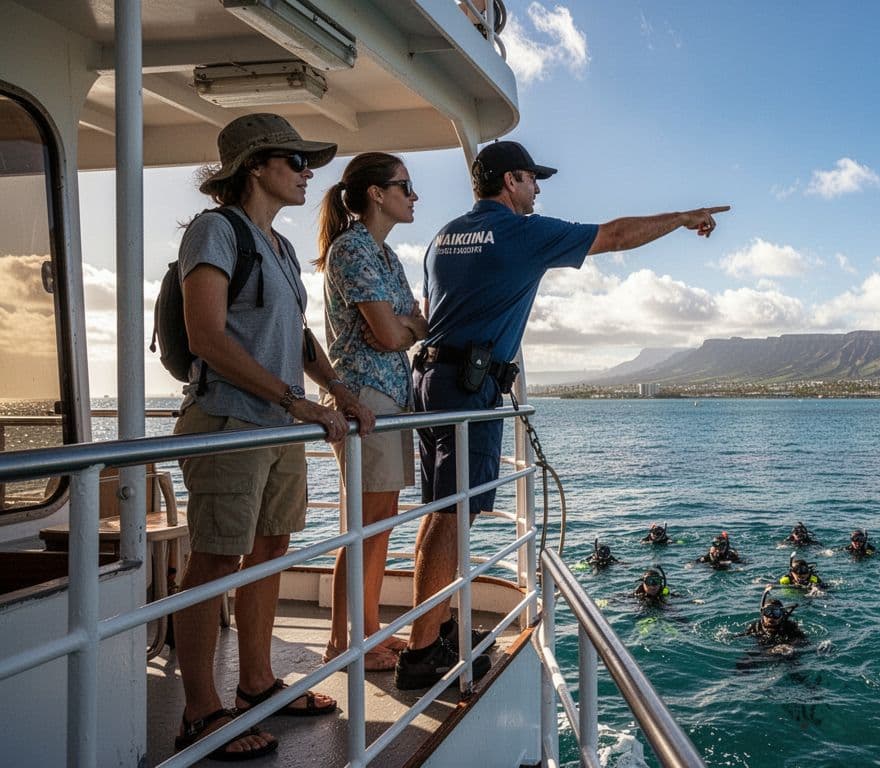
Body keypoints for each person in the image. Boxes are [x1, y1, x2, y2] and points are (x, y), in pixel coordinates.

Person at [402, 139, 727, 690]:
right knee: (457, 514)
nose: (538, 188)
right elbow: (615, 235)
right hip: (468, 387)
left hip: (431, 382)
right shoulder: (520, 232)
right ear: (510, 182)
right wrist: (683, 217)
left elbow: (434, 312)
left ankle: (432, 629)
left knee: (440, 510)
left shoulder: (443, 237)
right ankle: (423, 652)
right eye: (532, 178)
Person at [170, 113, 376, 761]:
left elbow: (301, 335)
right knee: (213, 562)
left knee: (271, 550)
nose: (307, 172)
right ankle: (201, 710)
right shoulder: (216, 231)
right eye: (295, 160)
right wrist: (295, 400)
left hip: (279, 425)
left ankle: (256, 684)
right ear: (256, 166)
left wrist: (333, 388)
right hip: (230, 424)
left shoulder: (281, 247)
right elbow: (206, 334)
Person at [315, 152, 426, 672]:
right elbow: (388, 332)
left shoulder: (386, 257)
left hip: (389, 397)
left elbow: (417, 323)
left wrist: (399, 325)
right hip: (365, 397)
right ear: (377, 194)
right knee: (365, 523)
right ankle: (345, 642)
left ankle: (367, 629)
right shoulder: (351, 250)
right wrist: (397, 326)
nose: (414, 196)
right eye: (405, 186)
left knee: (380, 521)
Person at [740, 587, 806, 645]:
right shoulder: (756, 627)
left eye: (776, 613)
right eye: (767, 612)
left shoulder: (790, 627)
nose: (771, 617)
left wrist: (790, 646)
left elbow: (803, 642)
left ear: (782, 615)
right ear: (762, 614)